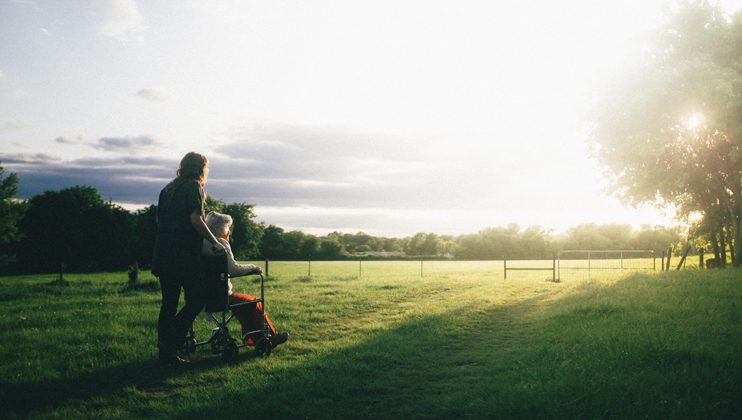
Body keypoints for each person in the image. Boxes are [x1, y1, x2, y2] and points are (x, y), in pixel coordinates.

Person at [151, 152, 226, 366]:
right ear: (201, 168)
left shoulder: (166, 190)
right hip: (183, 256)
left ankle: (165, 353)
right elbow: (196, 220)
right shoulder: (194, 187)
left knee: (169, 303)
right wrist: (215, 242)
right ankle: (170, 343)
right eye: (206, 167)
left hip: (163, 254)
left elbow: (159, 221)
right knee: (196, 300)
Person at [201, 211, 289, 348]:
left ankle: (253, 339)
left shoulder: (201, 244)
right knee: (253, 301)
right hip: (220, 297)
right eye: (227, 228)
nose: (229, 232)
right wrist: (254, 268)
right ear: (220, 228)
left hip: (202, 297)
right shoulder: (221, 244)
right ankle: (271, 336)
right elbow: (234, 270)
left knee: (243, 303)